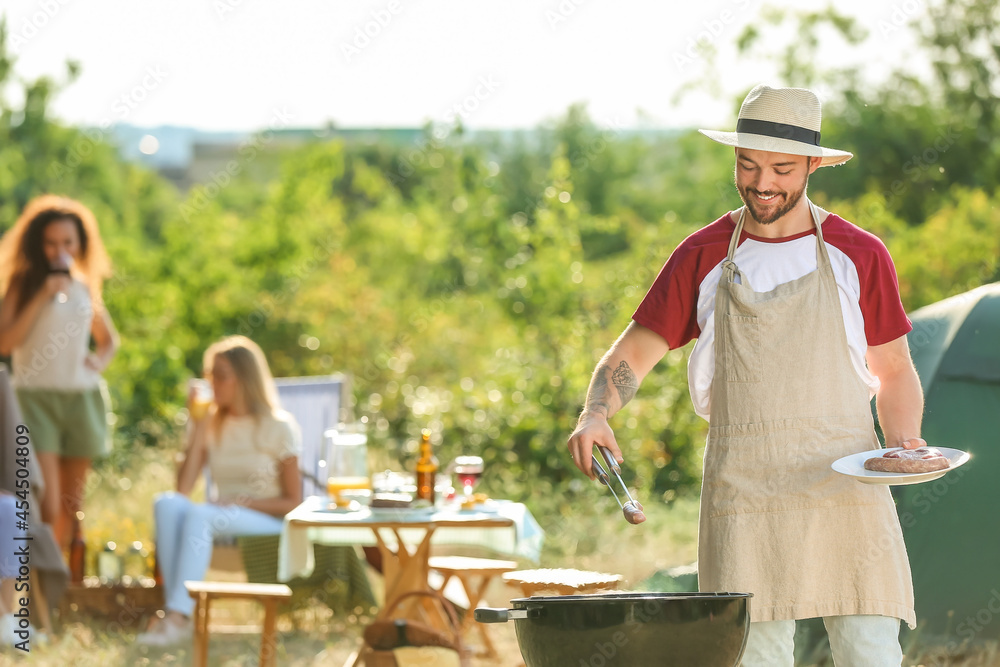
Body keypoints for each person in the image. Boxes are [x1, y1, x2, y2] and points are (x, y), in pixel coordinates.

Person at [567, 85, 922, 665]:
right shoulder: (703, 254)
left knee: (870, 653)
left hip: (846, 486)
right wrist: (596, 412)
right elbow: (635, 350)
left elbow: (894, 369)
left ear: (812, 166)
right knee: (754, 656)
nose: (763, 182)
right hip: (744, 489)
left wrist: (906, 447)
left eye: (782, 168)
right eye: (748, 165)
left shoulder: (859, 253)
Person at [137, 335, 303, 646]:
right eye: (210, 374)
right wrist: (197, 424)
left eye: (221, 375)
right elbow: (183, 489)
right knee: (167, 503)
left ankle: (177, 617)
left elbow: (293, 502)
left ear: (244, 379)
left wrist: (241, 502)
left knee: (203, 514)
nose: (213, 383)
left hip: (267, 521)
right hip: (220, 516)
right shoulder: (211, 423)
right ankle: (179, 614)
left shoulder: (279, 426)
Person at [0, 195, 119, 549]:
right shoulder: (23, 284)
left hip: (81, 400)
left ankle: (62, 590)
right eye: (51, 242)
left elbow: (109, 340)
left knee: (72, 505)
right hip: (34, 401)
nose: (59, 250)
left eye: (67, 242)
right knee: (47, 504)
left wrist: (98, 362)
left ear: (80, 242)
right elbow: (5, 343)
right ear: (37, 243)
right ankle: (37, 588)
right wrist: (43, 296)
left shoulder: (85, 285)